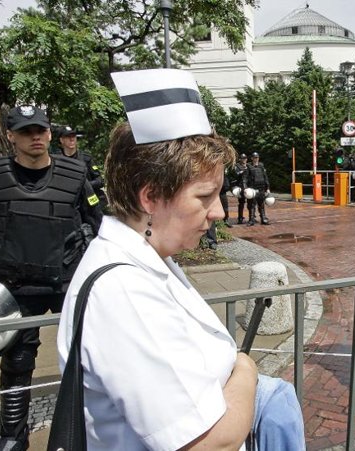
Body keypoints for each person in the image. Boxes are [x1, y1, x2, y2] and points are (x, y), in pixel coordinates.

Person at [57, 68, 305, 450]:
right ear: (151, 197)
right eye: (205, 196)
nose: (219, 212)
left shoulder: (148, 258)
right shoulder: (124, 291)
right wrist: (246, 370)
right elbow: (207, 444)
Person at [0, 105, 103, 450]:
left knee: (87, 355)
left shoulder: (75, 174)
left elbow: (96, 220)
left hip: (66, 282)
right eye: (27, 132)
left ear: (49, 133)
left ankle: (93, 426)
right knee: (16, 361)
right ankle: (12, 436)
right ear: (11, 136)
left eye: (41, 131)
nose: (36, 137)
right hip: (17, 287)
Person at [56, 125, 108, 209]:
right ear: (61, 140)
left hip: (90, 204)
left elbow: (100, 181)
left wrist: (84, 185)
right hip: (68, 204)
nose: (72, 139)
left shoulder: (86, 158)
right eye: (68, 136)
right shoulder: (56, 160)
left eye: (73, 136)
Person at [245, 151, 271, 226]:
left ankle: (263, 219)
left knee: (261, 205)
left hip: (261, 188)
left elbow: (265, 177)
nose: (256, 159)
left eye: (257, 157)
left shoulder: (261, 166)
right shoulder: (249, 166)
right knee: (251, 205)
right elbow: (245, 178)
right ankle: (251, 220)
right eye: (255, 158)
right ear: (252, 158)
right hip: (253, 189)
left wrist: (268, 188)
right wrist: (245, 188)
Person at [233, 153, 249, 223]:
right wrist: (242, 171)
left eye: (245, 158)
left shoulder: (249, 166)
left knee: (251, 202)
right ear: (240, 159)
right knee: (241, 202)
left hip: (248, 186)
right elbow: (236, 174)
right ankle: (240, 217)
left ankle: (252, 217)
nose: (244, 160)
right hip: (241, 186)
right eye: (243, 158)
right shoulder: (237, 166)